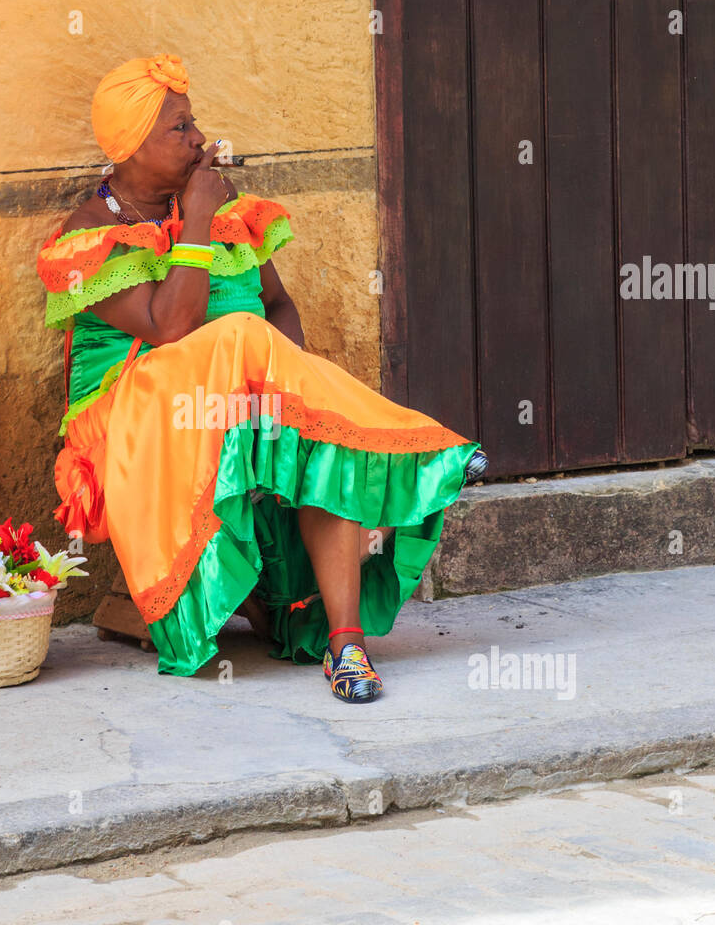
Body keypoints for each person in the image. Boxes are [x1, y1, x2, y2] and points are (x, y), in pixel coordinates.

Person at [36, 53, 485, 702]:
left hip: (239, 405)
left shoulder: (230, 212)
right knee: (243, 337)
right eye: (179, 129)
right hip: (137, 422)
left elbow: (278, 304)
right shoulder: (91, 233)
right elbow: (170, 327)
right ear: (130, 148)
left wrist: (288, 382)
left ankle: (346, 644)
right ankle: (423, 452)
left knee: (315, 438)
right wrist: (193, 222)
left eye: (194, 123)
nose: (200, 140)